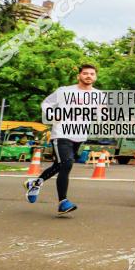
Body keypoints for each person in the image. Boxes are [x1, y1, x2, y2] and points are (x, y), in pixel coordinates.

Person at [26, 64, 101, 214]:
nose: (88, 76)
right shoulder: (65, 91)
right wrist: (53, 116)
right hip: (61, 133)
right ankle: (63, 202)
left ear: (95, 77)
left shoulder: (99, 94)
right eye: (85, 73)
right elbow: (46, 103)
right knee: (67, 163)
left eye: (92, 74)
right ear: (78, 76)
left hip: (79, 134)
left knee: (59, 165)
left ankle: (35, 183)